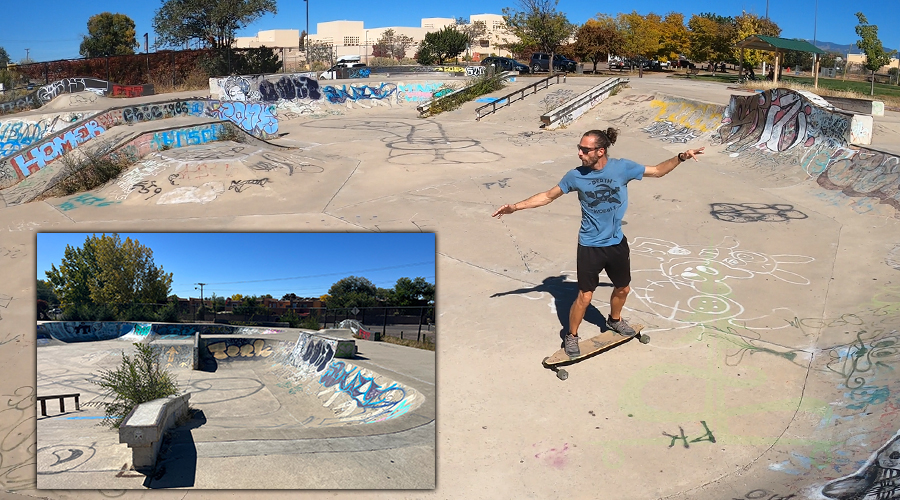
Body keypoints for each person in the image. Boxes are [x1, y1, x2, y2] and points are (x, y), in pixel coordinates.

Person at [491, 129, 705, 357]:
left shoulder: (622, 168)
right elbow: (548, 196)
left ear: (600, 151)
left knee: (623, 288)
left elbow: (658, 171)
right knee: (585, 296)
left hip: (616, 243)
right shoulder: (575, 176)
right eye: (579, 149)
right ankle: (571, 335)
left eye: (585, 150)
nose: (580, 154)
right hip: (590, 245)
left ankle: (614, 320)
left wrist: (681, 156)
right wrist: (515, 207)